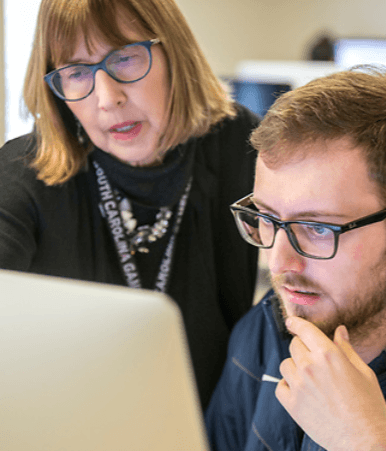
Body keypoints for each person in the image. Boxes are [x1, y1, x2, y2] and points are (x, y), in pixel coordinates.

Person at [0, 0, 259, 410]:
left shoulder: (238, 142)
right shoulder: (26, 173)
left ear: (174, 52)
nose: (107, 98)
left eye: (124, 58)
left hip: (211, 426)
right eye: (77, 73)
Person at [205, 69, 386, 450]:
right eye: (268, 219)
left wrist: (365, 441)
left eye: (319, 228)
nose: (279, 263)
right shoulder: (261, 333)